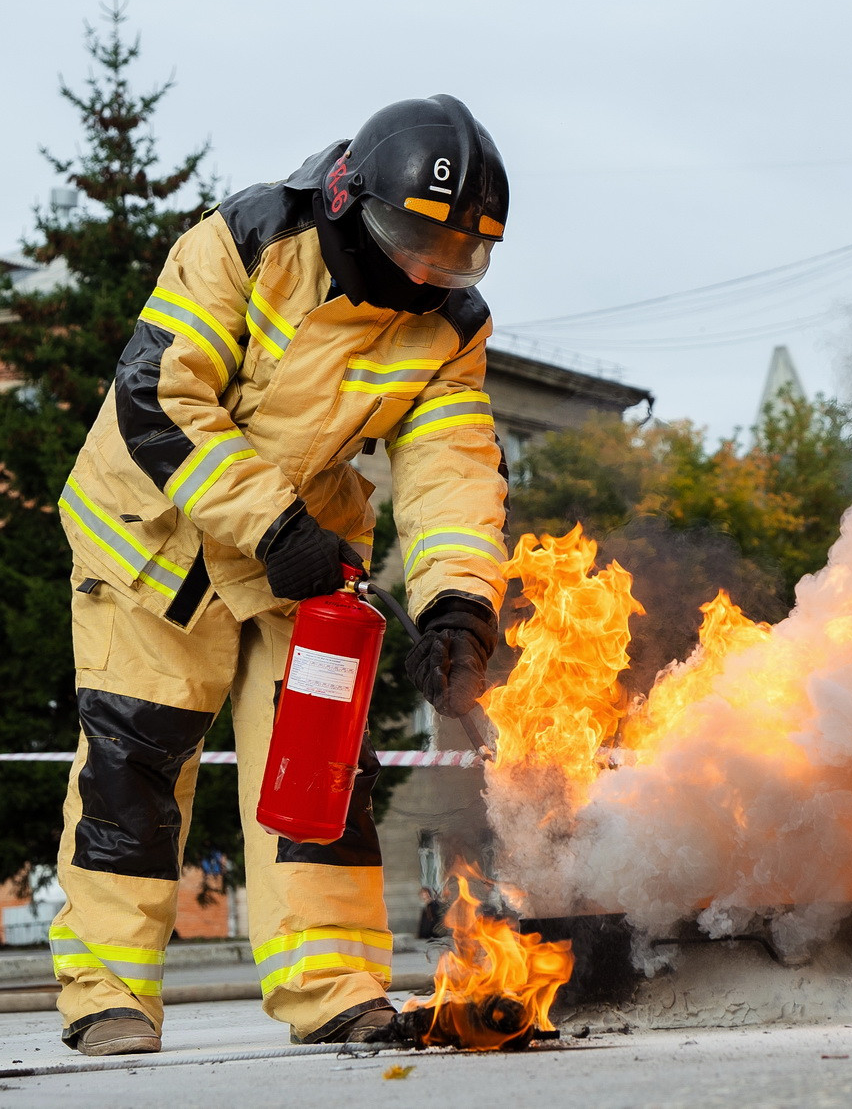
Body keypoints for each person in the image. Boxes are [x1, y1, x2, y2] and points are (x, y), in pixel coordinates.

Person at [48, 95, 510, 1056]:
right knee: (135, 765)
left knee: (321, 770)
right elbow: (158, 398)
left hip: (299, 560)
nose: (427, 272)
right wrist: (271, 523)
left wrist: (458, 603)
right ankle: (106, 994)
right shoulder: (247, 239)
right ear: (349, 203)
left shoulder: (449, 325)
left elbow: (451, 469)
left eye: (451, 256)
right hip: (152, 541)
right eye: (411, 244)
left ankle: (334, 985)